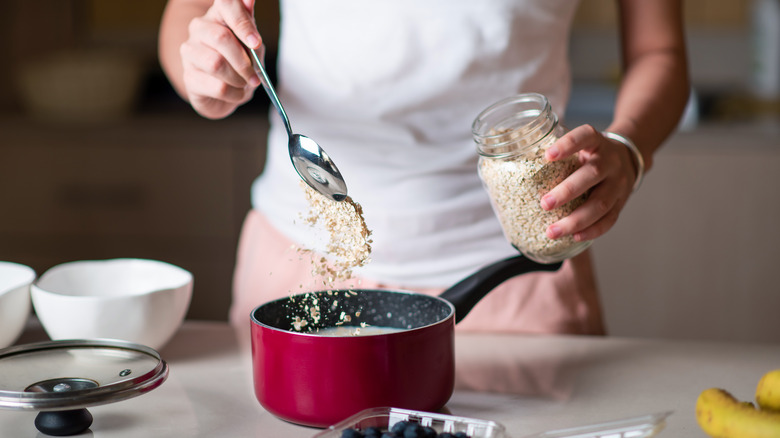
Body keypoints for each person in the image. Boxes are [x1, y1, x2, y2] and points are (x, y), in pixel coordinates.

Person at [158, 0, 689, 337]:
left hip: (516, 275)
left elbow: (658, 49)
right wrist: (205, 69)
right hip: (303, 263)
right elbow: (188, 19)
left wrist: (629, 146)